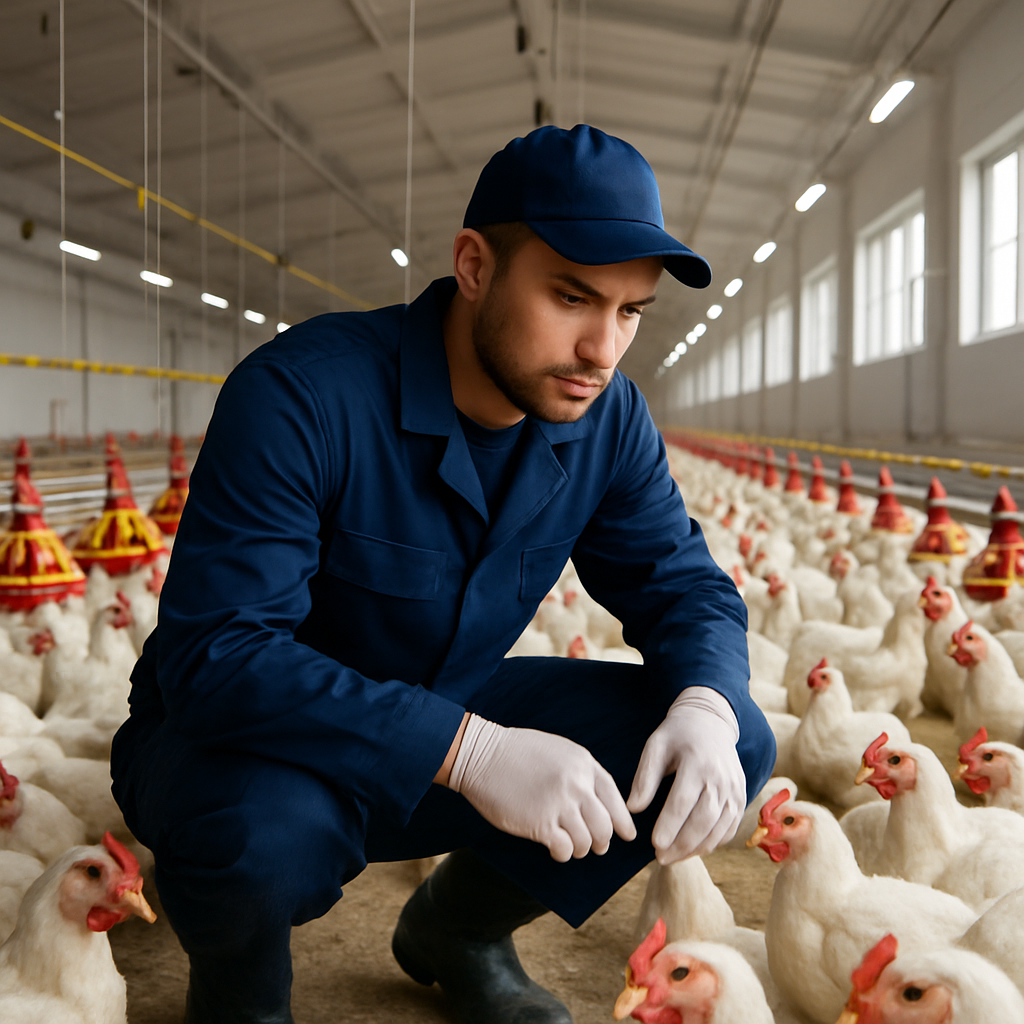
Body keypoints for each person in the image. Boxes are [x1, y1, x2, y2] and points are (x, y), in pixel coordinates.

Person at [111, 124, 774, 1024]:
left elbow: (682, 585)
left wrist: (705, 705)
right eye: (572, 297)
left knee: (731, 735)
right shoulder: (303, 396)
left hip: (446, 710)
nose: (603, 349)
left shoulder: (608, 419)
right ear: (473, 266)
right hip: (250, 743)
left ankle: (457, 931)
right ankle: (240, 997)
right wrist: (471, 751)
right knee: (265, 838)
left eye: (630, 312)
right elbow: (218, 657)